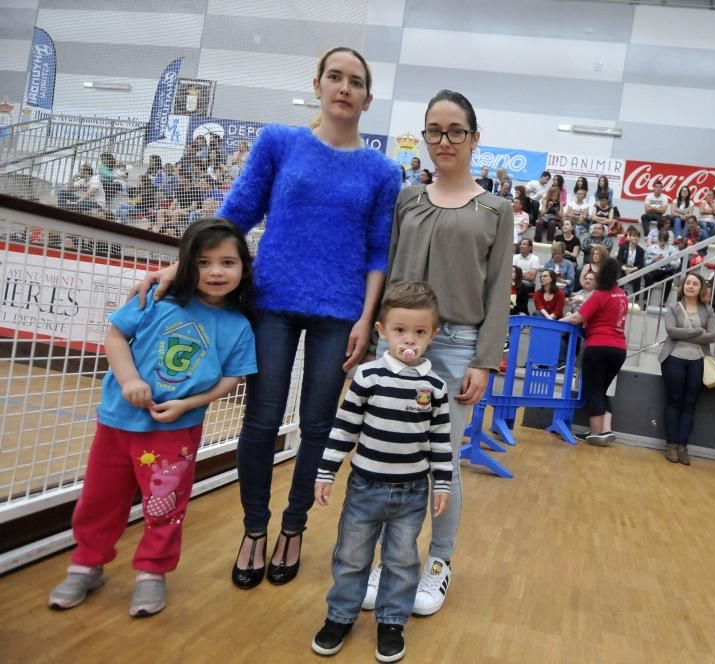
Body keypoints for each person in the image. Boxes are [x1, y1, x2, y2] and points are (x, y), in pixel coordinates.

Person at [132, 47, 400, 590]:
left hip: (341, 312)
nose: (344, 88)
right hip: (271, 302)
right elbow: (235, 213)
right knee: (259, 423)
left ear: (367, 100)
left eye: (355, 82)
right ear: (318, 85)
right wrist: (179, 263)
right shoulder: (280, 142)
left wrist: (366, 320)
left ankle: (293, 529)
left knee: (318, 427)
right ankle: (255, 529)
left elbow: (378, 252)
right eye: (335, 77)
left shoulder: (382, 170)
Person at [47, 218, 257, 617]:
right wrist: (128, 381)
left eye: (227, 262)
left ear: (243, 268)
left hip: (174, 432)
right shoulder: (154, 299)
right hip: (116, 423)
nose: (215, 271)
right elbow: (114, 337)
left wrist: (190, 403)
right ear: (184, 264)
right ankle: (86, 564)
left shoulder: (239, 326)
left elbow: (232, 379)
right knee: (99, 498)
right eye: (203, 261)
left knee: (165, 505)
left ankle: (151, 572)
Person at [366, 89, 513, 616]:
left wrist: (484, 359)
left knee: (440, 460)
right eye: (434, 130)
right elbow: (381, 267)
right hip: (396, 346)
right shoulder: (406, 198)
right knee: (389, 457)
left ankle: (439, 561)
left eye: (455, 131)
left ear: (474, 139)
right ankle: (390, 558)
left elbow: (498, 288)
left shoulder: (496, 208)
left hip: (456, 351)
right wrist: (372, 330)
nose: (443, 140)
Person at [310, 281, 451, 661]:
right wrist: (326, 473)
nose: (410, 339)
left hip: (411, 492)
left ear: (432, 335)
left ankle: (392, 622)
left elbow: (440, 440)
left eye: (420, 332)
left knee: (402, 560)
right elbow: (344, 428)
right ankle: (340, 616)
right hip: (364, 487)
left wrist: (443, 482)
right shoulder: (367, 377)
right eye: (400, 330)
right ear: (382, 331)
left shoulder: (435, 387)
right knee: (352, 556)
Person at [561, 258, 628, 446]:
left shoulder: (599, 295)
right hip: (619, 349)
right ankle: (606, 430)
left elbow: (577, 317)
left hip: (598, 346)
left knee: (593, 390)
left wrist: (558, 322)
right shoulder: (622, 295)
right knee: (601, 389)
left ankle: (596, 433)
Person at [658, 274, 715, 465]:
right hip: (674, 358)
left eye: (695, 284)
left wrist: (687, 335)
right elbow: (671, 331)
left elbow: (713, 336)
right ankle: (671, 445)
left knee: (690, 403)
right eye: (688, 283)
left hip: (698, 360)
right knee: (673, 401)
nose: (691, 286)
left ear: (701, 289)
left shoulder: (708, 310)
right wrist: (698, 332)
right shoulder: (674, 307)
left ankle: (683, 446)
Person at [616, 226, 645, 294]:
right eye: (634, 236)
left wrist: (631, 270)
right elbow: (619, 260)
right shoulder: (623, 247)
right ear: (630, 237)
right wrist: (625, 268)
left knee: (638, 276)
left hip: (633, 269)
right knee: (619, 275)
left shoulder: (641, 250)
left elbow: (641, 265)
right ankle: (619, 294)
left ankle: (636, 299)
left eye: (638, 236)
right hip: (623, 268)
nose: (636, 238)